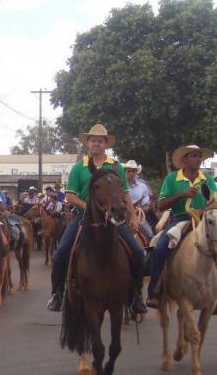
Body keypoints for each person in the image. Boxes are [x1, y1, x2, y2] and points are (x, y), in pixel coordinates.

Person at [46, 124, 147, 317]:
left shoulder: (116, 166)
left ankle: (135, 295)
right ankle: (57, 294)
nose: (96, 144)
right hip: (83, 217)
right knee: (61, 252)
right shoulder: (79, 168)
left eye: (100, 141)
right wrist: (88, 207)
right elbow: (70, 195)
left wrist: (132, 216)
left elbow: (125, 193)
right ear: (88, 143)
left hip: (114, 219)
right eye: (93, 140)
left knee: (137, 252)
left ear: (105, 144)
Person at [146, 144, 217, 308]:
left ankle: (215, 294)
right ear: (185, 159)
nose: (198, 159)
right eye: (194, 156)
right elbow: (161, 205)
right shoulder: (171, 179)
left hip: (205, 220)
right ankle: (154, 291)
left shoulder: (207, 178)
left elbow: (215, 201)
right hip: (179, 219)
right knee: (159, 250)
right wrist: (182, 194)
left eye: (200, 156)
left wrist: (203, 210)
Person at [126, 160, 153, 240]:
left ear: (136, 172)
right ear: (125, 172)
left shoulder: (143, 186)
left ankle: (150, 250)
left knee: (150, 234)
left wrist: (138, 211)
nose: (131, 173)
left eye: (133, 171)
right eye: (129, 171)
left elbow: (146, 206)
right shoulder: (120, 186)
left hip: (139, 215)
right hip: (123, 216)